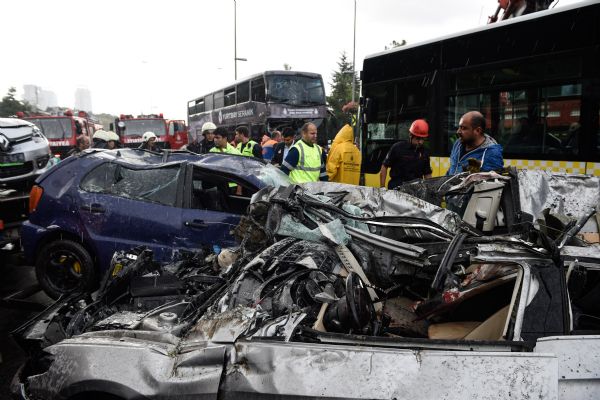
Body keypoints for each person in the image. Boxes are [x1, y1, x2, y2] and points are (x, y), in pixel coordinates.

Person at [380, 119, 432, 189]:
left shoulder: (424, 152)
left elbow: (427, 174)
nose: (420, 142)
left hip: (416, 191)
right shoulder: (397, 148)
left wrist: (430, 190)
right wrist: (382, 187)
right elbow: (384, 166)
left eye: (422, 139)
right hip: (397, 190)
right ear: (411, 135)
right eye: (418, 138)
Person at [447, 111, 504, 175]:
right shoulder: (458, 144)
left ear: (477, 130)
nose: (458, 132)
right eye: (459, 127)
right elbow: (451, 169)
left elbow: (494, 182)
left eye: (463, 128)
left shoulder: (492, 154)